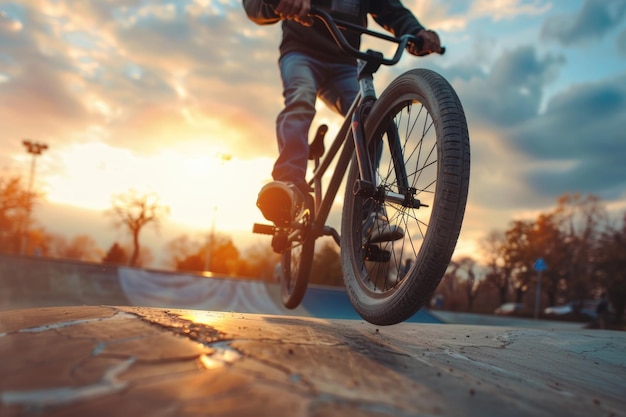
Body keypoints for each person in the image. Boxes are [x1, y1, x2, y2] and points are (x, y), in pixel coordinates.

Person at [244, 0, 441, 241]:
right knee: (300, 100)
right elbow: (253, 5)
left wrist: (417, 32)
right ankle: (289, 186)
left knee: (371, 117)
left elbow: (391, 9)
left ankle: (368, 213)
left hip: (345, 62)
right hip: (301, 53)